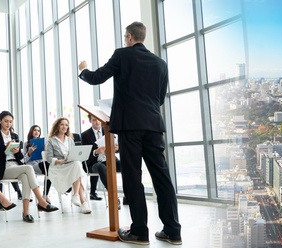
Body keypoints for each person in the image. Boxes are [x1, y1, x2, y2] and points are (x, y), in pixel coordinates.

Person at [78, 21, 182, 245]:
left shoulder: (122, 55)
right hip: (154, 126)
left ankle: (139, 233)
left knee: (133, 178)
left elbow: (96, 77)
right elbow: (159, 98)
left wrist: (83, 70)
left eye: (126, 37)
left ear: (129, 37)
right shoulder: (161, 63)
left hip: (130, 127)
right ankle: (173, 231)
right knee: (162, 177)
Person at [0, 111, 58, 222]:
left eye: (10, 121)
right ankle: (41, 200)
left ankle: (26, 213)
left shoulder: (14, 136)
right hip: (4, 168)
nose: (8, 124)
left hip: (17, 165)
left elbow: (20, 157)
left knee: (26, 178)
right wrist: (5, 148)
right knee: (29, 168)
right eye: (6, 121)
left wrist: (17, 152)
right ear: (0, 121)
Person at [45, 117, 91, 214]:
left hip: (70, 165)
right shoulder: (51, 141)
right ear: (57, 126)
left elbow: (73, 154)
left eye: (66, 125)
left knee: (77, 164)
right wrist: (61, 161)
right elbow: (49, 159)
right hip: (58, 167)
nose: (64, 127)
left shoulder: (70, 140)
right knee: (78, 168)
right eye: (62, 124)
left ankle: (78, 198)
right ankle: (82, 202)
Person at [80, 114, 115, 201]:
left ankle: (127, 195)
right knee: (100, 166)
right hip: (93, 163)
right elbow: (85, 154)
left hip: (108, 160)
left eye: (99, 119)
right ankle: (113, 196)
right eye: (94, 120)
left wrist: (116, 149)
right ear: (90, 121)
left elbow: (115, 148)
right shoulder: (85, 135)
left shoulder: (108, 131)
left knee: (125, 164)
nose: (97, 122)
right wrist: (95, 152)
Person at [22, 125, 52, 202]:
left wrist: (45, 150)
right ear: (31, 131)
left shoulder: (42, 143)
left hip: (41, 164)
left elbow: (45, 158)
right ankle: (45, 195)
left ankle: (45, 194)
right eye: (35, 130)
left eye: (38, 131)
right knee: (49, 167)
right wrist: (29, 153)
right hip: (31, 166)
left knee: (50, 169)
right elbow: (24, 161)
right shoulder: (26, 144)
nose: (37, 132)